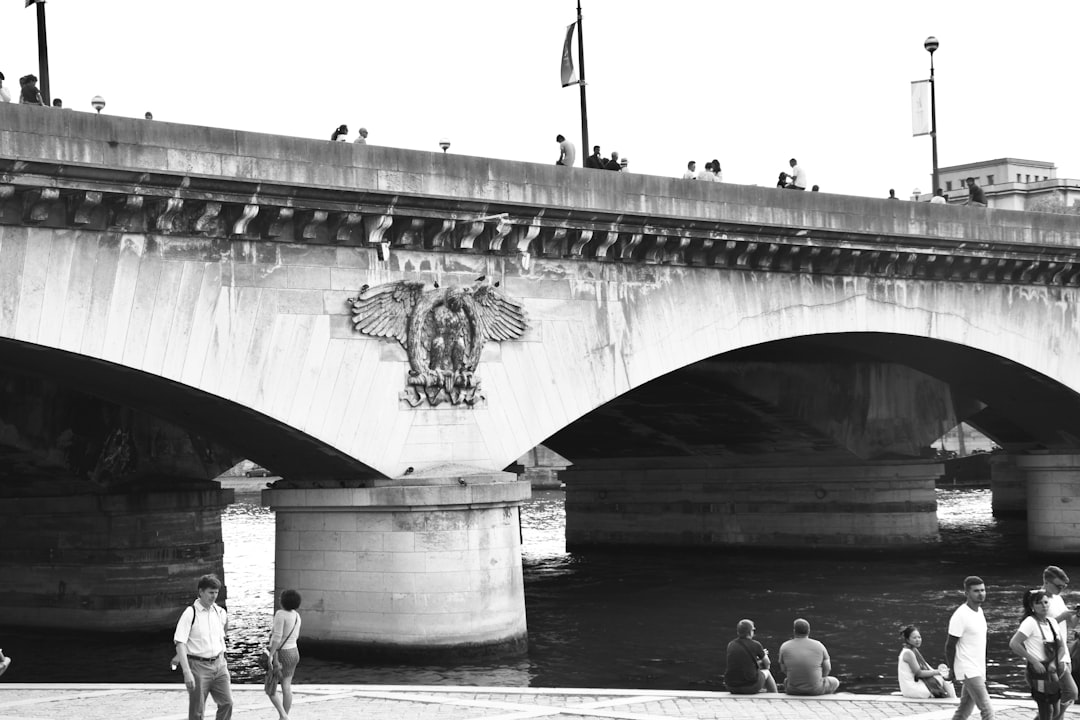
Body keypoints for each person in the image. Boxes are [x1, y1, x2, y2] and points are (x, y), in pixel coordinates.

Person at [173, 573, 233, 720]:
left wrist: (223, 657)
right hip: (198, 667)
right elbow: (180, 643)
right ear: (201, 592)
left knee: (227, 703)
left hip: (219, 665)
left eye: (216, 593)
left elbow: (223, 633)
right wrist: (187, 672)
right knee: (197, 711)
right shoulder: (190, 613)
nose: (214, 596)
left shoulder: (220, 612)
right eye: (210, 592)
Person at [1010, 588, 1067, 720]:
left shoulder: (1052, 622)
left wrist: (1054, 663)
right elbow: (1014, 644)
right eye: (1039, 603)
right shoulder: (1030, 622)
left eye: (1046, 602)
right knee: (1046, 710)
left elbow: (1061, 647)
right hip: (1038, 672)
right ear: (1032, 606)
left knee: (1056, 710)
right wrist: (1034, 661)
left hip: (1053, 670)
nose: (1044, 606)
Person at [946, 575, 994, 720]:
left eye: (983, 590)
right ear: (966, 593)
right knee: (988, 711)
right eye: (976, 591)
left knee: (964, 710)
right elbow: (950, 645)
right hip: (967, 669)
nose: (981, 594)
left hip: (978, 668)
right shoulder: (960, 615)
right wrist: (952, 669)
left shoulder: (979, 611)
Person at [1041, 566, 1077, 717]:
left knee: (1059, 697)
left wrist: (1076, 615)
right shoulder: (1039, 600)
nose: (1061, 589)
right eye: (1058, 586)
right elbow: (1039, 627)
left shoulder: (1058, 598)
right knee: (1071, 693)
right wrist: (1063, 616)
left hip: (1063, 653)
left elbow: (1071, 624)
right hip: (1050, 655)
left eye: (1064, 587)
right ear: (1046, 582)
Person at [265, 589, 302, 720]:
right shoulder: (297, 616)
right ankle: (284, 716)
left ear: (282, 601)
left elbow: (277, 637)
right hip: (294, 652)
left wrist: (271, 655)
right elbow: (294, 635)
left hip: (281, 653)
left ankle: (284, 716)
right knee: (286, 686)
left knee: (270, 688)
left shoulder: (280, 614)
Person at [778, 618, 840, 695]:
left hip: (792, 690)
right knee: (835, 681)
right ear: (809, 631)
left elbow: (783, 669)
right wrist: (821, 677)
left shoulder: (784, 646)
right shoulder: (819, 645)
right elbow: (828, 668)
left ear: (794, 631)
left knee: (786, 681)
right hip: (816, 690)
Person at [898, 625, 955, 698]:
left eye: (919, 637)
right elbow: (919, 673)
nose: (918, 640)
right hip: (912, 689)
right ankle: (954, 699)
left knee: (944, 675)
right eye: (914, 638)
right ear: (908, 640)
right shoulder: (908, 653)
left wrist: (943, 670)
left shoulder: (913, 650)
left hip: (914, 686)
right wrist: (938, 672)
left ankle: (952, 699)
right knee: (945, 678)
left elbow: (927, 667)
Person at [724, 618, 777, 694]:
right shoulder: (756, 645)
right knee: (766, 672)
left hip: (731, 686)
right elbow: (767, 664)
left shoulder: (731, 644)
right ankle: (775, 696)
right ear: (750, 632)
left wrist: (757, 659)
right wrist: (764, 655)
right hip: (749, 687)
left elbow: (741, 663)